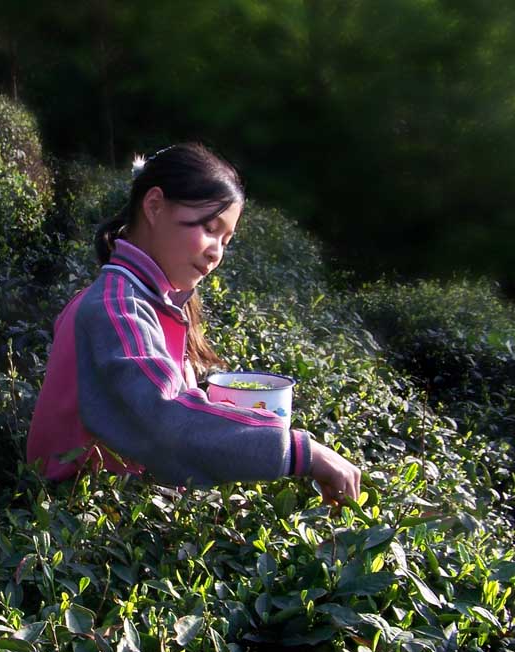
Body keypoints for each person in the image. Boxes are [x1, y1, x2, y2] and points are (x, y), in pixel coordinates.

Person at [26, 142, 361, 504]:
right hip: (80, 522)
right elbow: (166, 423)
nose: (217, 252)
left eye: (226, 239)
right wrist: (301, 452)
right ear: (154, 206)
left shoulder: (145, 300)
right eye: (209, 227)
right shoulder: (115, 308)